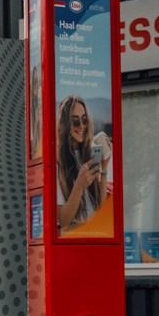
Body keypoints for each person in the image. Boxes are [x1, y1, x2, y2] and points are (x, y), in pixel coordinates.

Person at [56, 95, 106, 233]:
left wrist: (104, 166)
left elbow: (101, 207)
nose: (82, 126)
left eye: (84, 120)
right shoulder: (58, 161)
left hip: (97, 233)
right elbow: (63, 221)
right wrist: (79, 185)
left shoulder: (88, 153)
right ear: (65, 124)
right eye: (76, 122)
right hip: (78, 237)